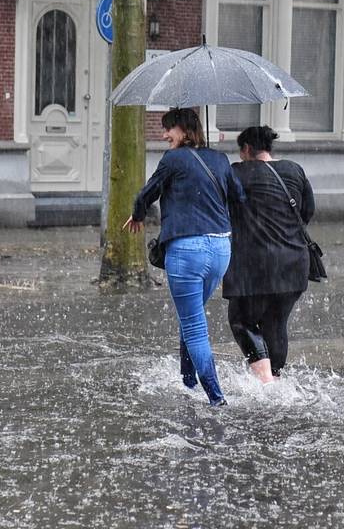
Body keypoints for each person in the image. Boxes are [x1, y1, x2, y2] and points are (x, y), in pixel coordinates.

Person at [124, 108, 244, 407]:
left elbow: (145, 194)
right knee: (190, 317)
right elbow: (239, 198)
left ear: (185, 131)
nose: (165, 135)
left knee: (193, 325)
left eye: (169, 130)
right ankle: (188, 383)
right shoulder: (220, 158)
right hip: (220, 249)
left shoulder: (173, 159)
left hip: (187, 251)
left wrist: (137, 215)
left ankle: (217, 400)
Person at [222, 125, 315, 384]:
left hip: (254, 265)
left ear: (247, 149)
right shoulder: (294, 170)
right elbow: (308, 211)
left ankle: (266, 383)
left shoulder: (238, 172)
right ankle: (277, 380)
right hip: (294, 263)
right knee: (276, 323)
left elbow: (222, 207)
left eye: (241, 153)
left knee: (241, 320)